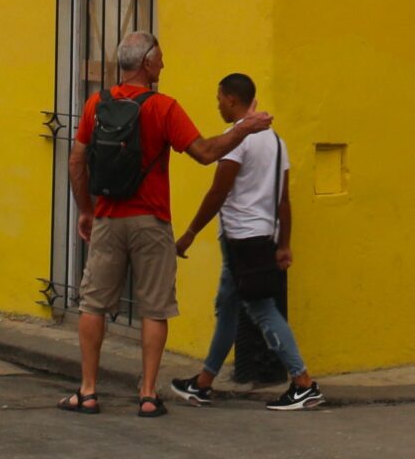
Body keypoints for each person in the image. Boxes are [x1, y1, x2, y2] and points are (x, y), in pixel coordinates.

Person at [61, 32, 272, 418]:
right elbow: (206, 154)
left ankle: (88, 391)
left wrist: (86, 210)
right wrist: (244, 127)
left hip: (108, 218)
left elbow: (76, 161)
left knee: (93, 304)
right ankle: (146, 394)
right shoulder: (164, 108)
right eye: (159, 59)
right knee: (154, 308)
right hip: (151, 221)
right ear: (146, 63)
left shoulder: (95, 104)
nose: (163, 65)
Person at [172, 73, 324, 411]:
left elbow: (218, 192)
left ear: (230, 99)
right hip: (262, 238)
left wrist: (189, 234)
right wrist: (283, 243)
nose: (217, 105)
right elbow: (284, 200)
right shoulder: (276, 141)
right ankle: (203, 383)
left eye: (219, 99)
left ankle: (303, 383)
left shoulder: (236, 139)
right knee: (227, 307)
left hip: (243, 240)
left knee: (261, 309)